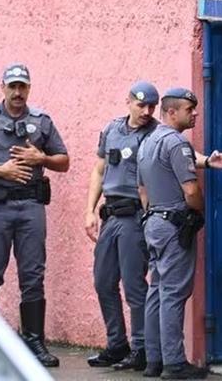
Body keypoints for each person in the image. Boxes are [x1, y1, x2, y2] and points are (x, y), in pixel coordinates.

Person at [0, 64, 69, 368]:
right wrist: (0, 170)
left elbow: (64, 161)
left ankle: (33, 340)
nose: (18, 92)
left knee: (33, 276)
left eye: (23, 87)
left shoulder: (41, 121)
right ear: (2, 87)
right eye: (13, 86)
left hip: (31, 207)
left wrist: (42, 158)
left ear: (29, 88)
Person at [137, 87, 222, 380]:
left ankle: (154, 360)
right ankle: (174, 363)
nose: (194, 113)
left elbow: (142, 190)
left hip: (154, 221)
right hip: (173, 224)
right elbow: (191, 190)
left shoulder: (147, 142)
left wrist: (152, 217)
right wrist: (198, 212)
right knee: (173, 293)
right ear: (171, 112)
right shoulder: (176, 143)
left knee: (156, 290)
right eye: (189, 109)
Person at [83, 81, 161, 372]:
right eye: (141, 105)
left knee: (134, 286)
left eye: (151, 106)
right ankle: (117, 344)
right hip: (111, 217)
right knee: (103, 281)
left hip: (134, 219)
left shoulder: (155, 134)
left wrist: (207, 161)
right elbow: (99, 169)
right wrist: (89, 210)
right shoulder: (112, 129)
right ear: (128, 101)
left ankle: (141, 349)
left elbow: (184, 156)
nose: (146, 111)